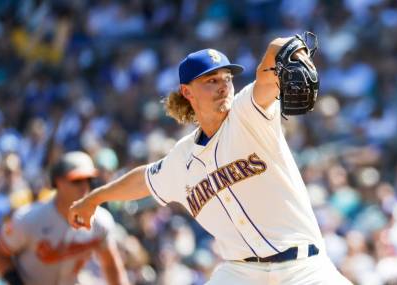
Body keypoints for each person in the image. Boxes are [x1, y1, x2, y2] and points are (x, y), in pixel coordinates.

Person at [68, 36, 353, 284]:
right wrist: (94, 198)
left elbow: (271, 62)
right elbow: (143, 179)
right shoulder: (182, 157)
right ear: (187, 92)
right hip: (241, 273)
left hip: (303, 267)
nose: (223, 86)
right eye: (211, 80)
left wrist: (293, 49)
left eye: (227, 79)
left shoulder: (247, 115)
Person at [0, 151, 130, 285]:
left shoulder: (100, 221)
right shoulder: (29, 218)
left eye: (88, 180)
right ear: (58, 181)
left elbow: (111, 265)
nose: (84, 186)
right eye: (77, 180)